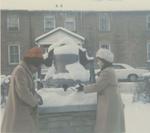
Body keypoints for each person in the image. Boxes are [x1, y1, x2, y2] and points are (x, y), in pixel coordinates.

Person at [77, 48, 125, 133]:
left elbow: (98, 86)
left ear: (104, 61)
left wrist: (83, 88)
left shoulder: (107, 72)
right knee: (111, 127)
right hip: (111, 101)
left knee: (109, 127)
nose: (98, 63)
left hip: (110, 103)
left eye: (99, 61)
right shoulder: (108, 70)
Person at [1, 47, 44, 133]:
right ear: (32, 62)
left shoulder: (25, 71)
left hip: (23, 115)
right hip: (19, 115)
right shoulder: (20, 71)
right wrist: (35, 102)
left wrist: (38, 97)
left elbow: (30, 90)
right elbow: (23, 93)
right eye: (37, 66)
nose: (36, 70)